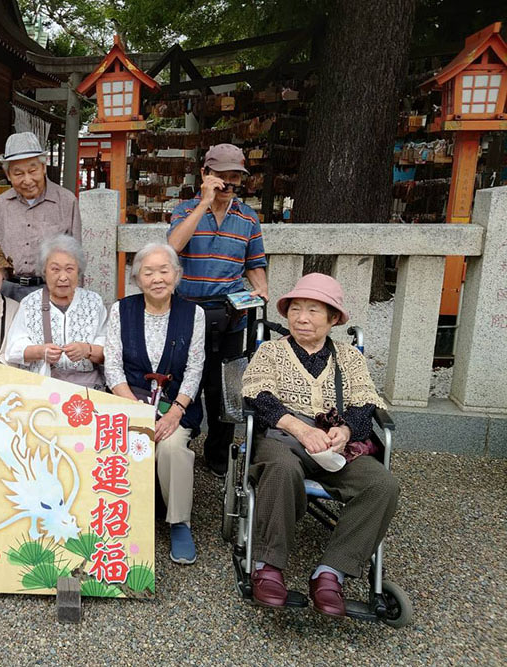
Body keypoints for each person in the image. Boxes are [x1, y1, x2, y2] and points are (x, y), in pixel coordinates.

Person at [241, 273, 399, 617]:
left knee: (382, 484)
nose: (302, 318)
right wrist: (301, 430)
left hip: (335, 447)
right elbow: (259, 396)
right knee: (281, 469)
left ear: (333, 319)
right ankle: (269, 565)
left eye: (313, 310)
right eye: (296, 309)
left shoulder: (349, 358)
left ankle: (331, 572)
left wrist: (344, 431)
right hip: (284, 438)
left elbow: (363, 404)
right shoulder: (270, 352)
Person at [167, 143, 269, 476]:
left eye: (234, 178)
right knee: (183, 381)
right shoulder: (184, 211)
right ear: (205, 175)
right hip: (186, 312)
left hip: (231, 314)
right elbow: (172, 248)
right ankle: (177, 443)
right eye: (221, 177)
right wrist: (205, 203)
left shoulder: (248, 217)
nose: (228, 185)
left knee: (225, 386)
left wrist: (261, 288)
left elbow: (254, 263)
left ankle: (218, 455)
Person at [104, 243, 205, 564]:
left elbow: (195, 368)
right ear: (137, 278)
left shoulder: (194, 314)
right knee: (122, 441)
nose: (157, 278)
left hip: (175, 406)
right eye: (148, 272)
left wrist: (175, 411)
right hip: (129, 400)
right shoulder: (121, 310)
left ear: (177, 275)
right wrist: (135, 407)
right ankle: (123, 519)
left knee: (173, 446)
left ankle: (178, 522)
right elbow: (112, 366)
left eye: (164, 271)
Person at [0, 132, 81, 301]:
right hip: (7, 291)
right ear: (8, 175)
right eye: (18, 173)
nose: (27, 180)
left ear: (43, 167)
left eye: (32, 170)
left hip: (51, 290)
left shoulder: (66, 201)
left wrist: (75, 299)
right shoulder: (0, 205)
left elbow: (76, 256)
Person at [5, 234, 106, 388]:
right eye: (55, 269)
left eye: (69, 269)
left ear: (79, 271)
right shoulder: (30, 303)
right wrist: (40, 351)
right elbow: (13, 350)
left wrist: (87, 350)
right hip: (43, 387)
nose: (63, 277)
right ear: (44, 271)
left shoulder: (94, 302)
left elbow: (110, 351)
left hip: (88, 389)